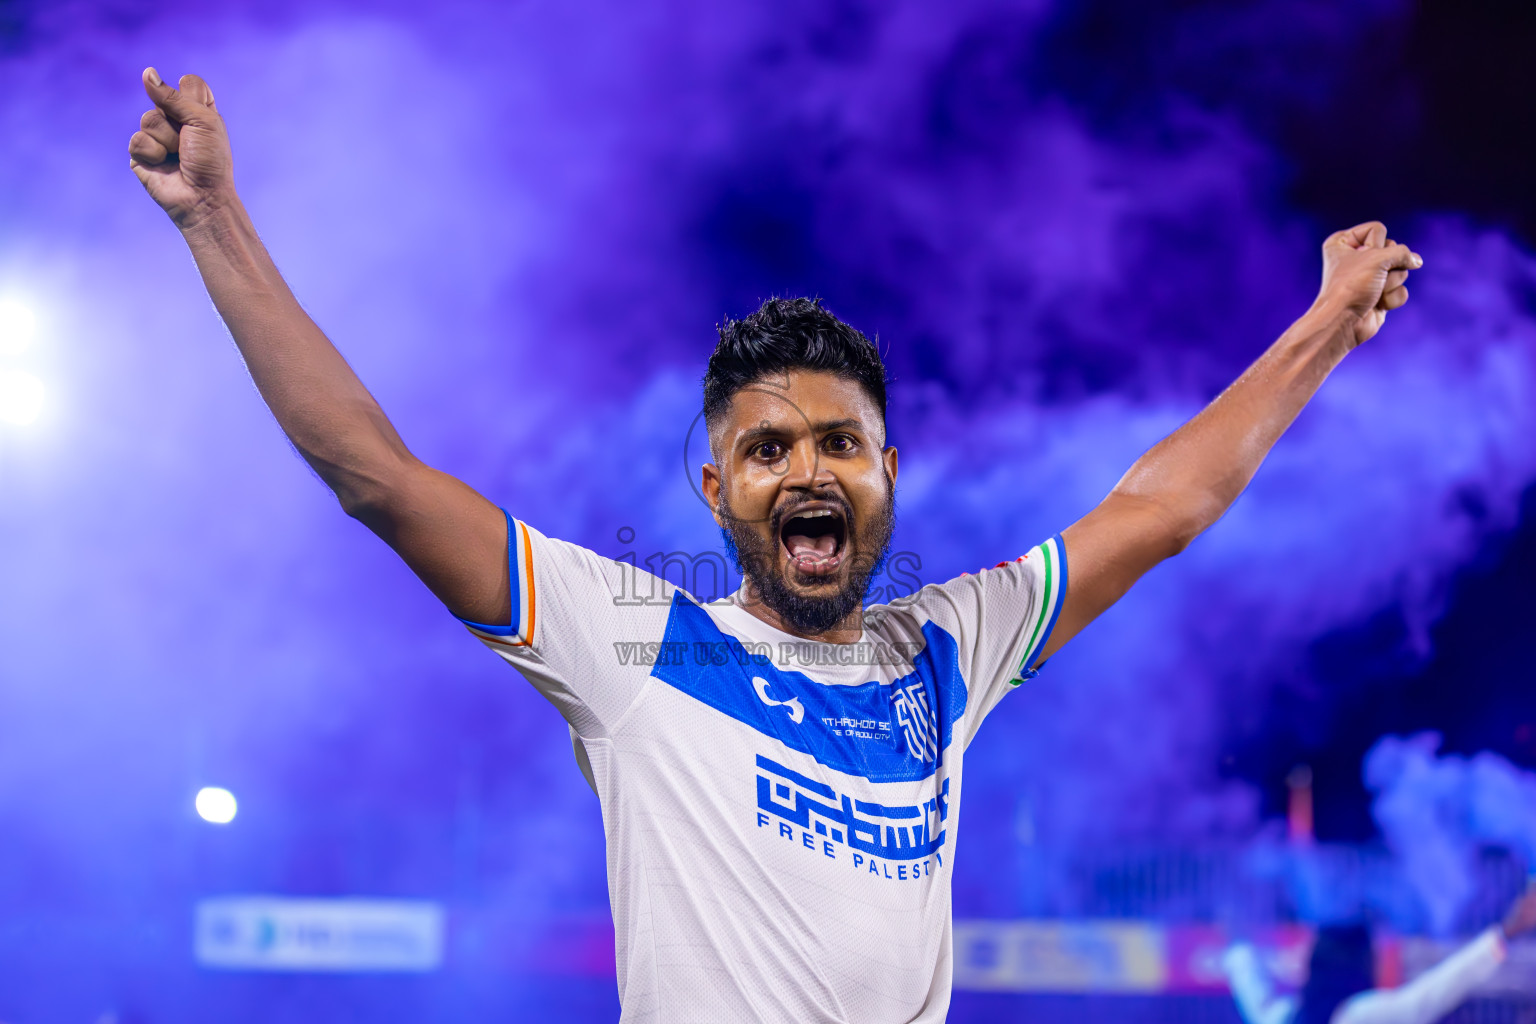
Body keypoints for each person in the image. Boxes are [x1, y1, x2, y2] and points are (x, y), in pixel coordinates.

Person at [127, 67, 1422, 1024]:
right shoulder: (636, 638)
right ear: (714, 492)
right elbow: (382, 482)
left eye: (840, 445)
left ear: (888, 475)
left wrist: (1322, 328)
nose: (807, 470)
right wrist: (215, 224)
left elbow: (1162, 510)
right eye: (767, 450)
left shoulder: (945, 651)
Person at [1223, 884, 1536, 1024]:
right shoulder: (1356, 1017)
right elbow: (1431, 995)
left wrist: (1238, 952)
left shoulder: (1289, 1018)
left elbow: (1255, 997)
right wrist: (1506, 934)